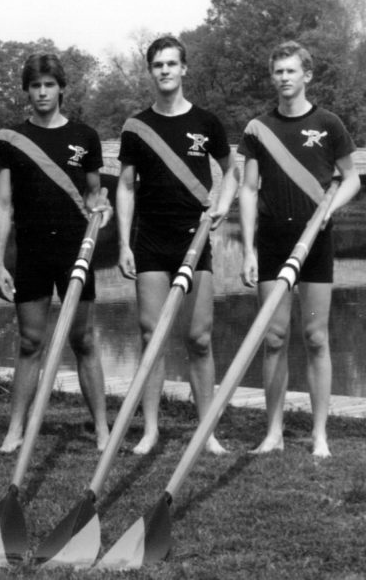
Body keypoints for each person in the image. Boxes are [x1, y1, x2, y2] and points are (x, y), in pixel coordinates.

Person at [116, 36, 238, 455]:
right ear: (150, 71)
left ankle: (208, 430)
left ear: (185, 69)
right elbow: (126, 188)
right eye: (158, 65)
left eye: (172, 64)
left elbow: (231, 172)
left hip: (195, 238)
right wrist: (123, 244)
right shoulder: (136, 126)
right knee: (152, 336)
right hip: (150, 240)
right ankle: (150, 429)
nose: (165, 70)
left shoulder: (207, 123)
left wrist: (222, 206)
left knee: (200, 339)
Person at [237, 41, 360, 458]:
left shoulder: (328, 124)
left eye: (291, 71)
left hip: (315, 240)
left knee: (315, 336)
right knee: (273, 338)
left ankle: (319, 434)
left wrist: (329, 211)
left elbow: (352, 179)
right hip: (272, 240)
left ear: (307, 75)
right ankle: (273, 433)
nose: (284, 78)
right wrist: (250, 251)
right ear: (272, 77)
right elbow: (249, 189)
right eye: (278, 72)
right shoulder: (257, 129)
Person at [0, 53, 112, 453]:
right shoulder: (9, 139)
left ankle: (101, 428)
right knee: (29, 342)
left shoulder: (85, 136)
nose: (42, 92)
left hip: (76, 250)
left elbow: (94, 194)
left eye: (48, 84)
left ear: (61, 88)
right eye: (35, 85)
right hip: (32, 251)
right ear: (27, 90)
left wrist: (102, 208)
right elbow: (3, 204)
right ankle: (15, 429)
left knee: (85, 340)